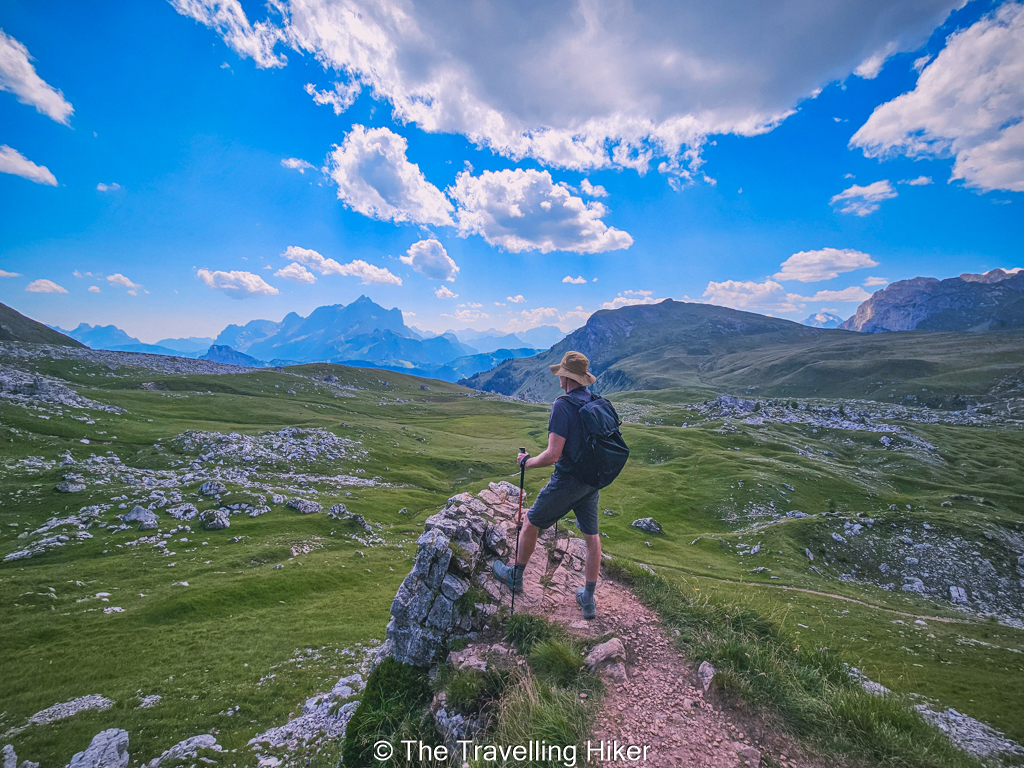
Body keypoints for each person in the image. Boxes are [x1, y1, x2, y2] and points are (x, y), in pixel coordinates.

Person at [493, 351, 603, 619]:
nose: (559, 378)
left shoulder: (563, 405)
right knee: (591, 536)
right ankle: (588, 598)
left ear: (566, 377)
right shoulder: (595, 401)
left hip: (568, 481)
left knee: (530, 521)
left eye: (560, 374)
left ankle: (516, 576)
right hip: (592, 480)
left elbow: (553, 455)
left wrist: (527, 462)